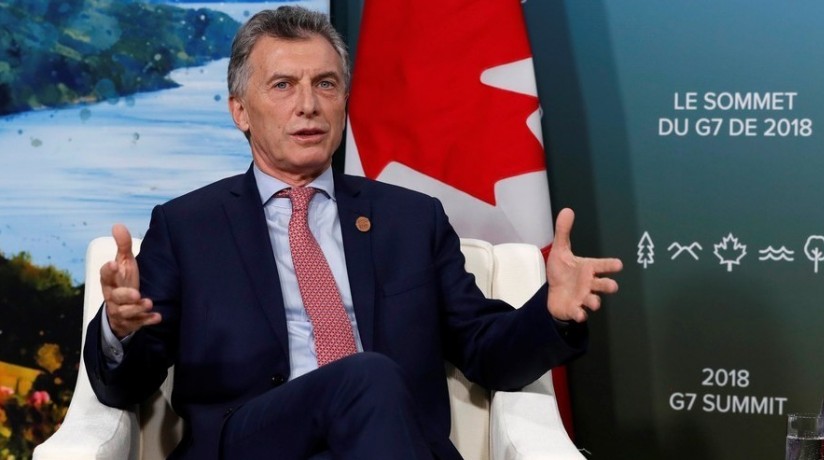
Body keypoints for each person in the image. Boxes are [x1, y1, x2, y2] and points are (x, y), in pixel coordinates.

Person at [84, 6, 623, 460]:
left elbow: (487, 351)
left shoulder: (411, 219)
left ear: (344, 99)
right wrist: (120, 331)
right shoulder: (188, 227)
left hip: (385, 441)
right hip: (254, 443)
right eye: (283, 86)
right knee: (365, 375)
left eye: (325, 84)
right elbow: (125, 386)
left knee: (369, 385)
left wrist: (549, 312)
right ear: (240, 112)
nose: (308, 105)